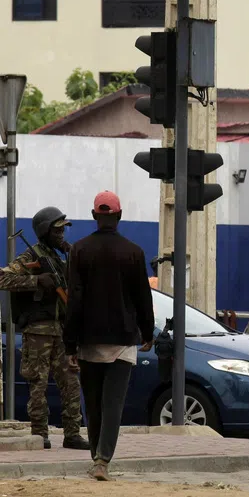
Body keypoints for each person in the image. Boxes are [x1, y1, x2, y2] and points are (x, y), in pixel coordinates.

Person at [63, 191, 155, 481]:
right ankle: (102, 460)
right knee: (113, 403)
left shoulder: (78, 250)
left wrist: (70, 344)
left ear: (94, 216)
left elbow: (74, 300)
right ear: (119, 216)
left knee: (92, 403)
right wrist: (148, 331)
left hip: (88, 339)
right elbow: (143, 297)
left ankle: (95, 457)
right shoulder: (134, 252)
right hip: (123, 339)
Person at [0, 206, 88, 451]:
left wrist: (74, 259)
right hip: (37, 333)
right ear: (45, 231)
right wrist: (36, 280)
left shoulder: (62, 258)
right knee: (37, 385)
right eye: (57, 230)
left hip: (62, 332)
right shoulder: (31, 256)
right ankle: (40, 435)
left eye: (63, 230)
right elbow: (2, 278)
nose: (62, 235)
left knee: (71, 384)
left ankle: (72, 434)